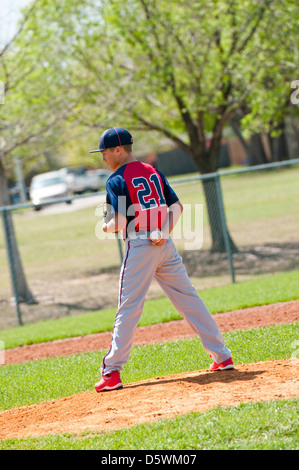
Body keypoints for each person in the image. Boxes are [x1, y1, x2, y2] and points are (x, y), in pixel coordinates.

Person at [90, 127, 234, 392]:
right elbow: (176, 207)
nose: (103, 159)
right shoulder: (152, 170)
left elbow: (120, 221)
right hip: (163, 242)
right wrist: (163, 231)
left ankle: (111, 372)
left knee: (129, 306)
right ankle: (222, 356)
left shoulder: (116, 179)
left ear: (118, 150)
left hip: (140, 245)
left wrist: (105, 226)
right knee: (189, 298)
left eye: (105, 152)